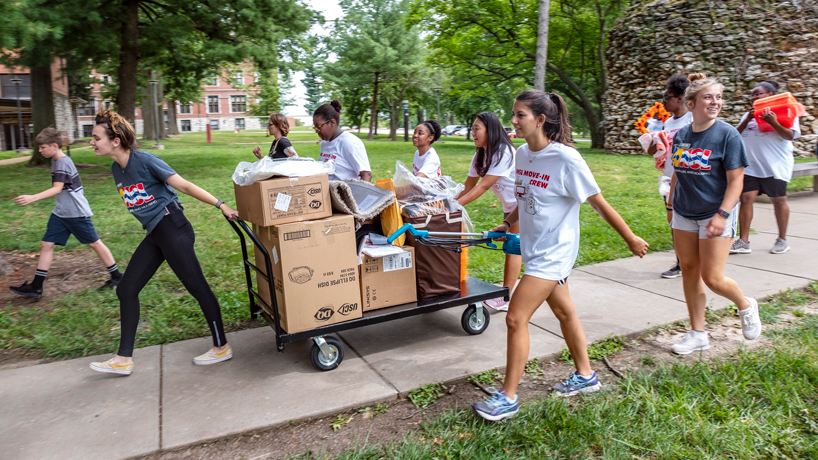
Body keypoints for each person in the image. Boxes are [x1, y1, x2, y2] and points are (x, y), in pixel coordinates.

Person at [471, 90, 649, 422]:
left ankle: (508, 397)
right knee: (565, 313)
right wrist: (507, 223)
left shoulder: (566, 159)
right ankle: (586, 376)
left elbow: (598, 202)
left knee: (515, 318)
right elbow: (523, 200)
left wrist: (630, 237)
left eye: (520, 115)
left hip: (554, 253)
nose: (513, 120)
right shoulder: (522, 155)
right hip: (534, 246)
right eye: (513, 114)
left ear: (540, 119)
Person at [88, 110, 239, 376]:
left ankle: (221, 346)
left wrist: (221, 204)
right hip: (156, 233)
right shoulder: (116, 169)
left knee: (198, 288)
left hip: (173, 228)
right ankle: (123, 360)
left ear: (115, 140)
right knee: (126, 289)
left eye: (95, 137)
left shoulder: (145, 160)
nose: (91, 142)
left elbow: (184, 185)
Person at [667, 73, 762, 356]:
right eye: (708, 97)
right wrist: (672, 206)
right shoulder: (682, 134)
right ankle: (697, 334)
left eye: (718, 97)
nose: (715, 102)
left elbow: (736, 181)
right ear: (692, 103)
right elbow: (677, 171)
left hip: (715, 212)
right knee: (689, 272)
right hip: (685, 212)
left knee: (712, 277)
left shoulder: (727, 135)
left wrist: (722, 214)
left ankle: (745, 305)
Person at [10, 127, 122, 299]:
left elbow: (57, 188)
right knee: (46, 244)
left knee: (95, 243)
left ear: (54, 145)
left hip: (76, 213)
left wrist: (33, 197)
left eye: (42, 147)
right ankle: (36, 287)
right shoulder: (56, 160)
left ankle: (117, 278)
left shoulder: (62, 162)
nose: (40, 151)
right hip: (61, 213)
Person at [456, 112, 519, 311]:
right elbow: (468, 186)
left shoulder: (504, 152)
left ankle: (506, 295)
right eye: (472, 128)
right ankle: (507, 293)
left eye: (477, 128)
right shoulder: (481, 154)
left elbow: (482, 187)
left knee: (514, 249)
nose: (473, 132)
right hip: (511, 207)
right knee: (513, 247)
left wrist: (455, 206)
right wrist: (448, 203)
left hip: (522, 205)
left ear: (490, 130)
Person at [732, 80, 799, 255]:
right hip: (751, 167)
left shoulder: (787, 111)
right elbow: (734, 137)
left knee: (778, 201)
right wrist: (747, 119)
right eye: (752, 94)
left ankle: (782, 240)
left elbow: (790, 136)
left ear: (770, 95)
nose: (753, 96)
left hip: (774, 166)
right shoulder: (748, 115)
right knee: (746, 200)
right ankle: (743, 241)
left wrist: (774, 122)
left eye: (757, 93)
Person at [652, 74, 693, 279]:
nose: (663, 101)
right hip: (669, 179)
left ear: (679, 98)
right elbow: (662, 151)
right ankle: (681, 263)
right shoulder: (667, 123)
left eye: (667, 97)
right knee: (674, 222)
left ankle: (691, 263)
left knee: (687, 221)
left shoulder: (692, 119)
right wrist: (654, 148)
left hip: (689, 178)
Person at [314, 100, 371, 182]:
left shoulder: (349, 142)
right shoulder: (325, 143)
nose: (316, 130)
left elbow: (366, 175)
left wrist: (358, 194)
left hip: (347, 192)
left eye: (319, 126)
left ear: (332, 122)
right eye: (315, 127)